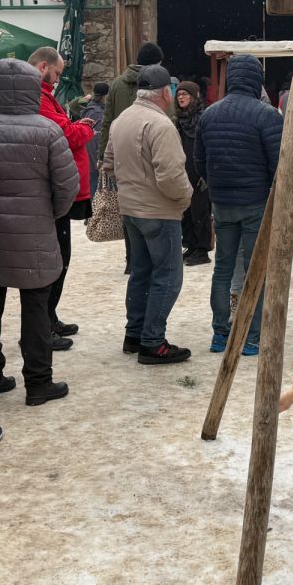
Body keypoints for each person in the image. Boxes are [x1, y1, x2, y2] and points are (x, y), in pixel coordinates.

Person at [0, 59, 79, 405]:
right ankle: (38, 382)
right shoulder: (47, 130)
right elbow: (67, 186)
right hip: (35, 234)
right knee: (35, 309)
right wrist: (48, 215)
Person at [104, 63, 193, 363]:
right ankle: (153, 341)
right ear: (165, 93)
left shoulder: (122, 119)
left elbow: (108, 162)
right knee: (168, 276)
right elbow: (170, 175)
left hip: (131, 209)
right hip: (159, 211)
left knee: (141, 273)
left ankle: (134, 334)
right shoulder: (161, 125)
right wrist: (185, 197)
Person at [193, 54, 280, 354]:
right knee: (255, 269)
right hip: (255, 201)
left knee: (223, 268)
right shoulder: (267, 115)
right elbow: (278, 163)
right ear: (256, 79)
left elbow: (200, 160)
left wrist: (217, 184)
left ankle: (220, 334)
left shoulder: (210, 114)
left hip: (222, 202)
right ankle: (252, 337)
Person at [29, 47, 95, 339]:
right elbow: (62, 134)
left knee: (59, 258)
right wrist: (83, 130)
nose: (58, 79)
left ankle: (49, 317)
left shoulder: (44, 95)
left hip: (57, 190)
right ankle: (43, 325)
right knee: (54, 260)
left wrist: (74, 126)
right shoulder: (38, 97)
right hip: (50, 192)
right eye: (56, 73)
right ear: (43, 66)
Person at [100, 41, 165, 159]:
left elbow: (107, 121)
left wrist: (102, 155)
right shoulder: (157, 84)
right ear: (156, 63)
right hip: (148, 152)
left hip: (120, 150)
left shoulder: (116, 83)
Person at [174, 81, 213, 266]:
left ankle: (202, 249)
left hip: (199, 173)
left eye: (185, 94)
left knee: (200, 210)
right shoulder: (178, 121)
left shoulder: (203, 118)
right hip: (183, 172)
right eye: (179, 94)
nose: (181, 97)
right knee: (186, 211)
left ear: (194, 96)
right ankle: (190, 244)